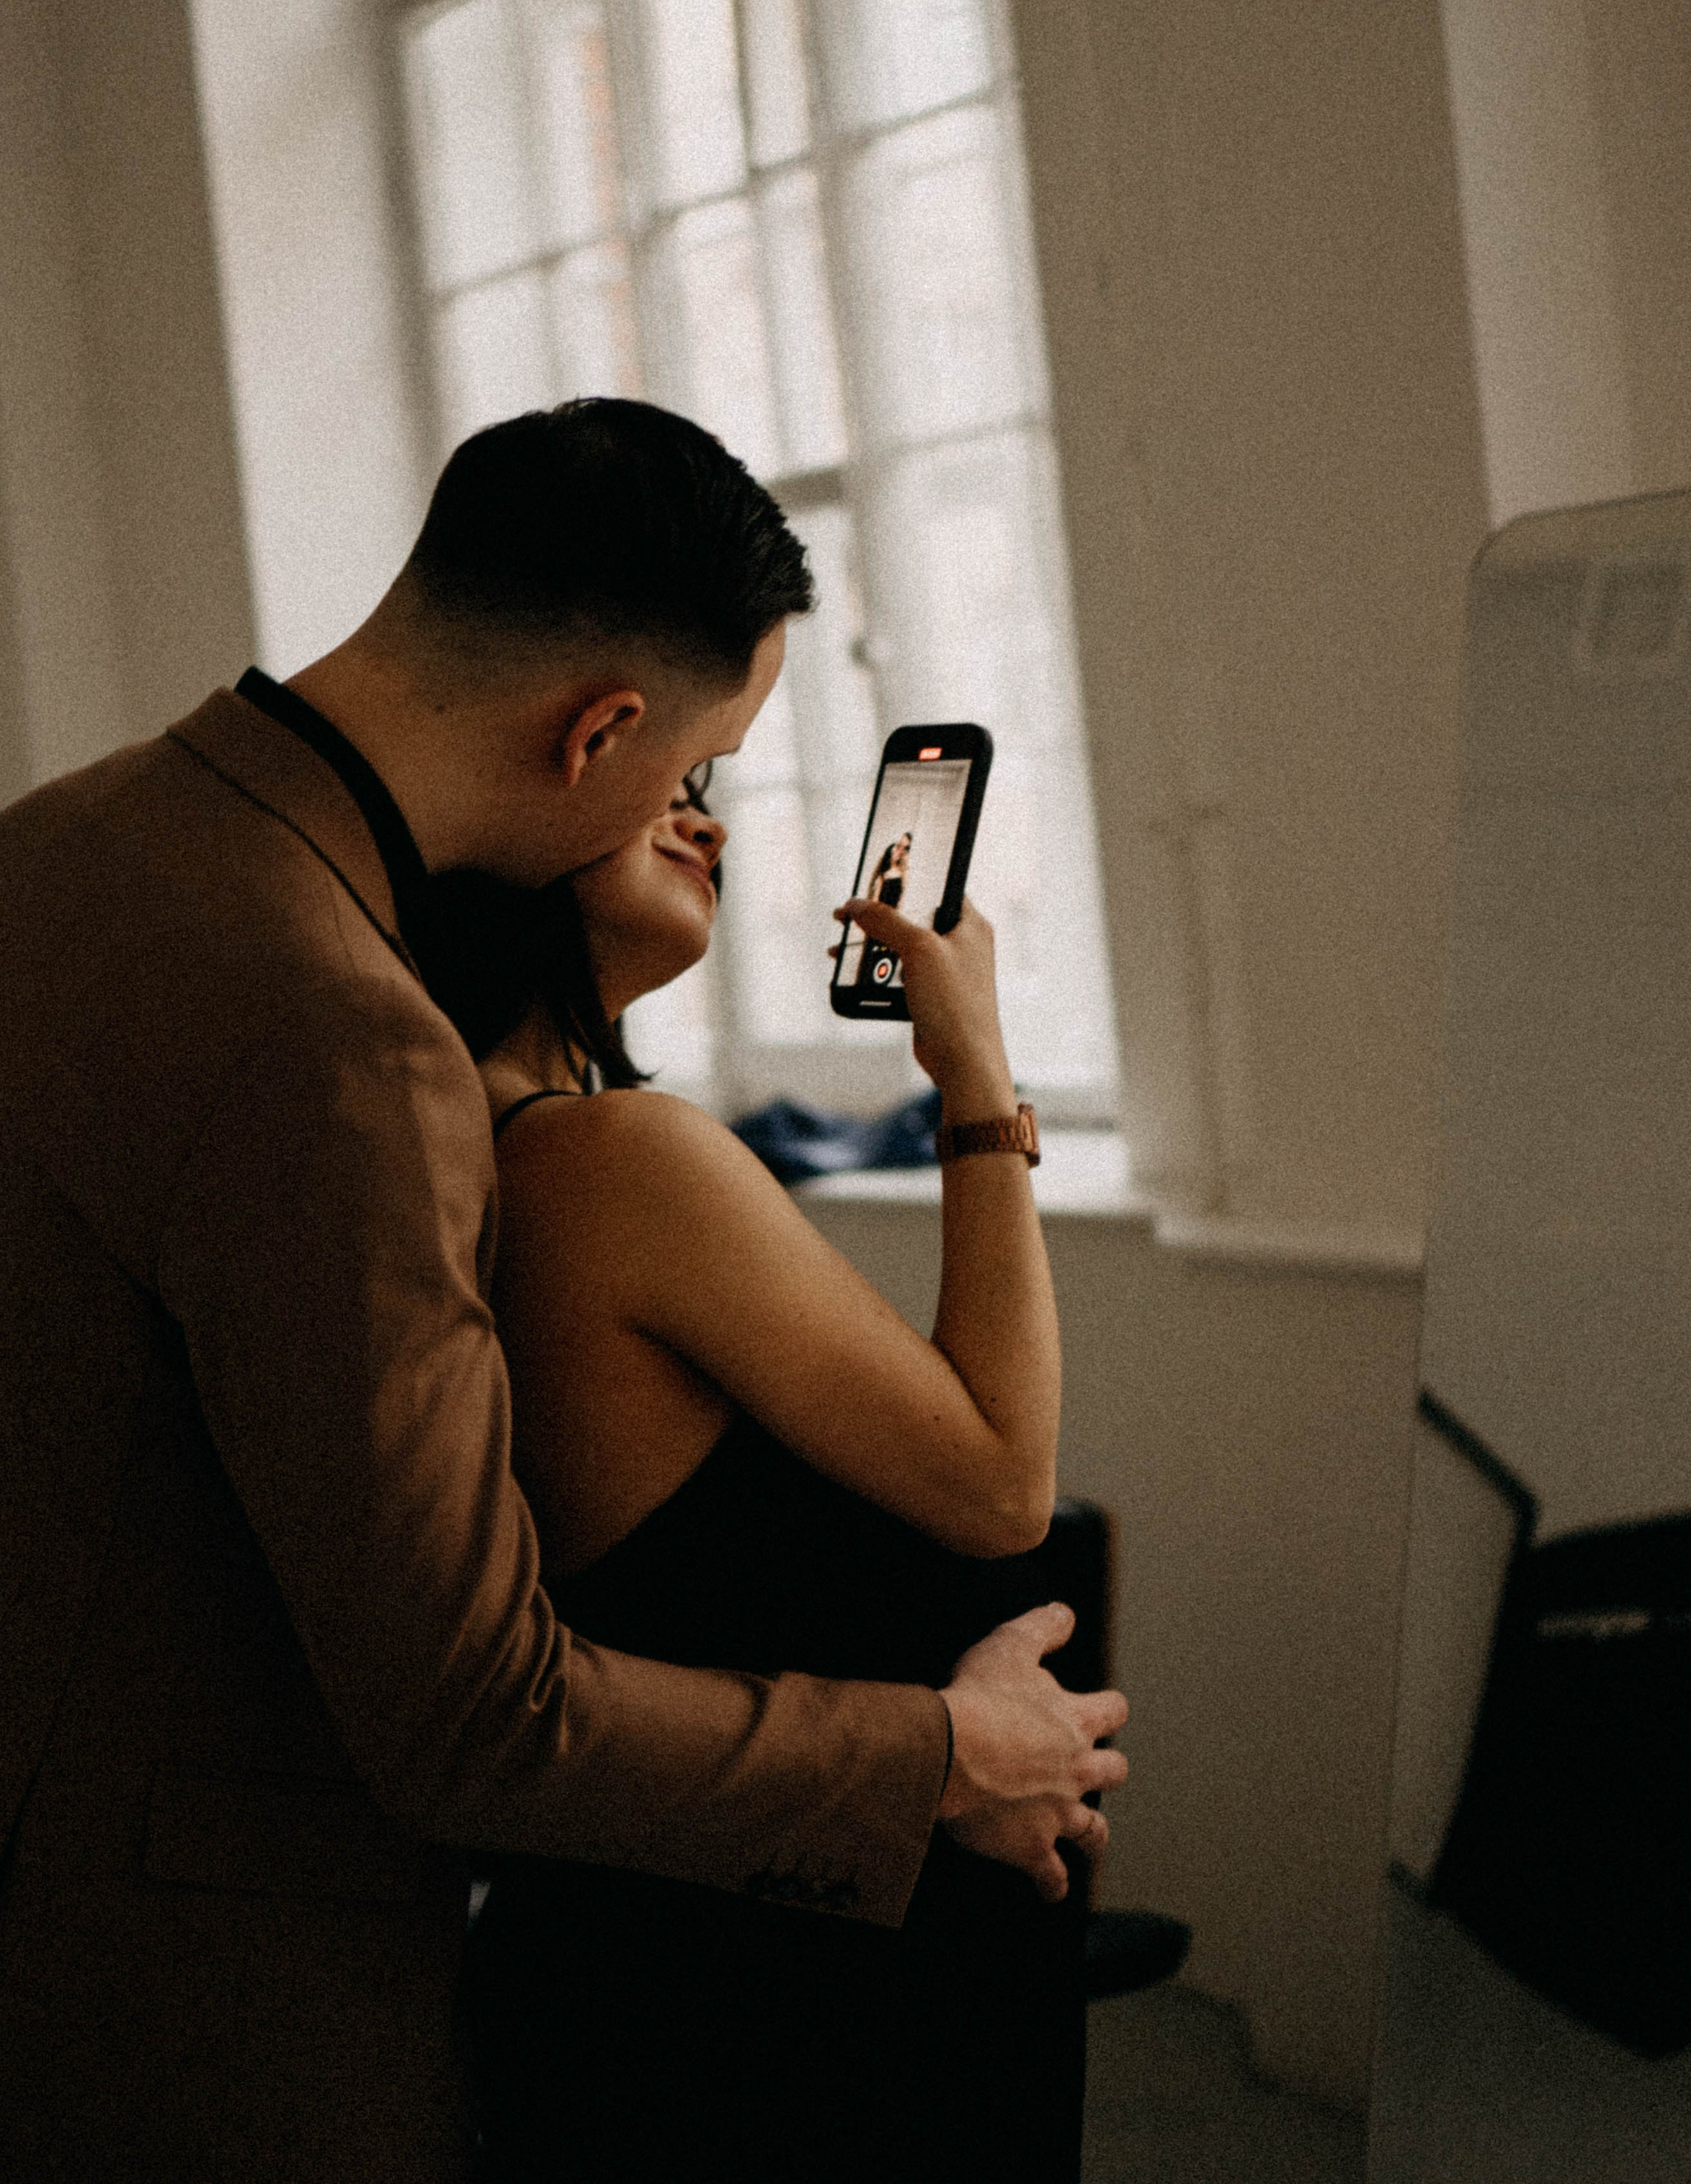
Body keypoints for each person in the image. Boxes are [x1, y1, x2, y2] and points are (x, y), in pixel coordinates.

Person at [0, 400, 1127, 2184]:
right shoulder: (352, 1046)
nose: (712, 819)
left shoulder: (57, 846)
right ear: (603, 731)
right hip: (217, 1992)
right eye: (702, 765)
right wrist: (927, 1757)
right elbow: (471, 1708)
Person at [414, 771, 1095, 2180]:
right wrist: (976, 1075)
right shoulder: (613, 1160)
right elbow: (998, 1480)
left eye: (707, 793)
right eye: (654, 788)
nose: (707, 824)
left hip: (654, 1949)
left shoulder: (455, 1157)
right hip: (792, 1991)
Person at [852, 827, 912, 987]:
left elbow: (902, 899)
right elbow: (875, 901)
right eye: (896, 849)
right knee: (873, 957)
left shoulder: (902, 873)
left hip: (893, 922)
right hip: (880, 921)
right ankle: (864, 985)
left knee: (887, 958)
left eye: (903, 849)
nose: (899, 852)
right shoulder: (882, 876)